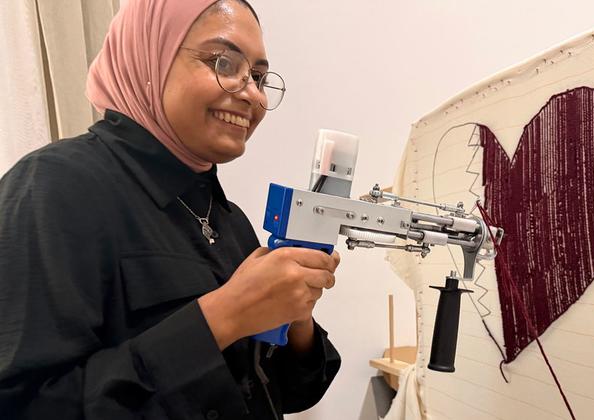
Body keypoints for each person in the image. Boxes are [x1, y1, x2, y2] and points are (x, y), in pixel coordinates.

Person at [0, 0, 341, 419]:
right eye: (222, 61)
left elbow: (293, 391)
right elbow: (23, 405)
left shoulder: (229, 221)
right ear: (149, 57)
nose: (252, 93)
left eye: (258, 76)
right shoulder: (53, 188)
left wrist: (296, 314)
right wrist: (222, 317)